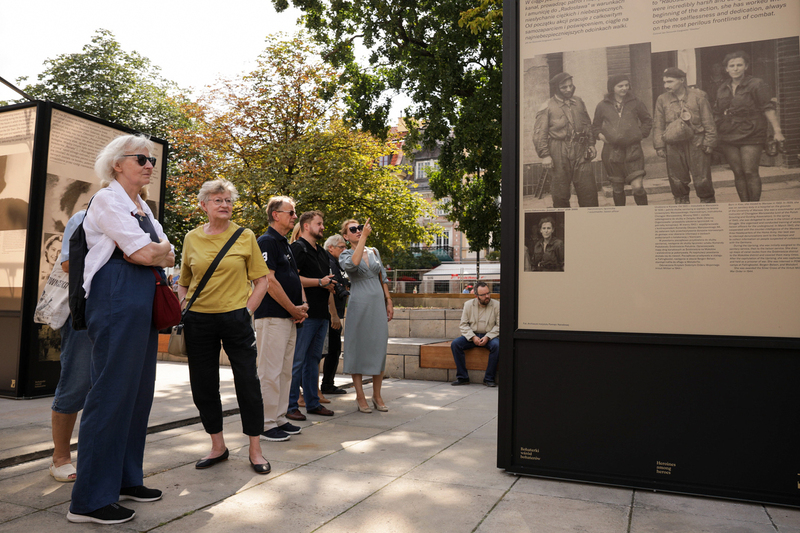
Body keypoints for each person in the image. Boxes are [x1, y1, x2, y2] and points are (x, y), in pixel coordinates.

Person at [67, 134, 174, 525]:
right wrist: (150, 251)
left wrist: (151, 251)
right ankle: (89, 500)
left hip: (141, 296)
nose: (149, 165)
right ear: (117, 164)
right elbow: (146, 252)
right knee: (111, 392)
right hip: (115, 295)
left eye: (152, 160)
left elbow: (167, 252)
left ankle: (126, 479)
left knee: (138, 393)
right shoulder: (107, 200)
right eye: (141, 159)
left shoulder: (141, 206)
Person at [177, 179, 271, 474]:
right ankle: (217, 446)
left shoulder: (245, 236)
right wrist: (183, 307)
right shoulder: (191, 238)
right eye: (218, 200)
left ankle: (255, 450)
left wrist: (247, 311)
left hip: (235, 319)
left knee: (248, 383)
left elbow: (262, 281)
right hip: (199, 321)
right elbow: (183, 281)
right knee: (203, 385)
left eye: (228, 200)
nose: (225, 204)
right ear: (203, 205)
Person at [254, 196, 309, 438]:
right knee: (270, 371)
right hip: (272, 316)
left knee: (285, 372)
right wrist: (292, 308)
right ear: (276, 215)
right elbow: (269, 281)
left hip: (288, 317)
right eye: (291, 212)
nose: (295, 216)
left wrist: (302, 306)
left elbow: (293, 278)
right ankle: (265, 424)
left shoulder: (284, 243)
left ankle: (278, 417)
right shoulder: (267, 241)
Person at [48, 211, 92, 484]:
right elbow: (67, 263)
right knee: (76, 381)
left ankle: (95, 456)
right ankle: (61, 458)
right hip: (83, 310)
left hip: (120, 312)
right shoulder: (83, 218)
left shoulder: (140, 217)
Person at [714, 50, 785, 202]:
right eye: (731, 66)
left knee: (750, 172)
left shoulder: (756, 84)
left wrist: (777, 131)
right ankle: (745, 206)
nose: (735, 68)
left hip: (752, 132)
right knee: (738, 172)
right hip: (728, 134)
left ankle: (754, 207)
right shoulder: (722, 87)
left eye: (739, 65)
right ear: (726, 69)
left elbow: (768, 108)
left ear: (746, 66)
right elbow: (717, 111)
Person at [339, 218, 393, 413]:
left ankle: (377, 395)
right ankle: (360, 396)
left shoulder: (374, 252)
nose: (358, 231)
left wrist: (388, 300)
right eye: (353, 229)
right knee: (357, 348)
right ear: (346, 236)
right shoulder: (345, 254)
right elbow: (353, 265)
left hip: (377, 304)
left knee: (379, 346)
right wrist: (363, 240)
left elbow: (382, 277)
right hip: (358, 304)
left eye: (360, 228)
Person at [286, 211, 336, 419]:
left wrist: (329, 284)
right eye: (319, 223)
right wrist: (320, 282)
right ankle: (291, 406)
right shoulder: (298, 248)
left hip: (322, 314)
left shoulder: (322, 252)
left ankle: (313, 403)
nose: (322, 227)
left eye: (322, 223)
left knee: (313, 360)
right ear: (306, 226)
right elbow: (292, 278)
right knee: (297, 360)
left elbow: (323, 279)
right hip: (305, 314)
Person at [533, 72, 598, 208]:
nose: (568, 89)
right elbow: (540, 133)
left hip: (580, 149)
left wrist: (591, 144)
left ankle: (590, 219)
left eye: (570, 86)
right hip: (558, 151)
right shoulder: (547, 106)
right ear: (556, 88)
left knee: (588, 191)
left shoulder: (578, 102)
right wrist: (545, 155)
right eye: (564, 87)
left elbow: (587, 123)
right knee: (560, 193)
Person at [653, 67, 717, 204]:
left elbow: (708, 121)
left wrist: (709, 142)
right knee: (677, 181)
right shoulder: (662, 99)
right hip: (673, 145)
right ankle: (682, 207)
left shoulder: (699, 96)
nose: (666, 85)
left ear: (682, 80)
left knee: (702, 180)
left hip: (697, 142)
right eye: (664, 82)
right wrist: (659, 146)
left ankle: (708, 205)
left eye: (670, 82)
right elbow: (658, 124)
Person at [592, 74, 653, 206]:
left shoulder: (636, 102)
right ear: (612, 88)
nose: (624, 88)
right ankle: (621, 214)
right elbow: (595, 126)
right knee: (617, 188)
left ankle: (645, 213)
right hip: (612, 152)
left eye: (626, 85)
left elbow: (647, 121)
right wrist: (601, 136)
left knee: (637, 187)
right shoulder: (602, 105)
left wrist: (640, 134)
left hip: (633, 150)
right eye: (620, 86)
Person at [450, 282, 500, 387]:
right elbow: (463, 324)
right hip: (472, 336)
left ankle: (489, 378)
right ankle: (463, 377)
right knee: (455, 344)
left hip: (490, 336)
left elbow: (499, 325)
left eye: (488, 293)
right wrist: (472, 337)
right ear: (476, 296)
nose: (487, 296)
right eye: (483, 295)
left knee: (497, 345)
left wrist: (487, 337)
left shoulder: (497, 305)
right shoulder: (468, 305)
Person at [320, 234, 349, 396]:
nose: (344, 250)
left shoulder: (337, 264)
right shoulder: (328, 262)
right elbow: (331, 289)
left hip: (334, 312)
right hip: (330, 313)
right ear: (330, 248)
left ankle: (326, 384)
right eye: (341, 247)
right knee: (328, 350)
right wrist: (334, 315)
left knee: (332, 349)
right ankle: (325, 385)